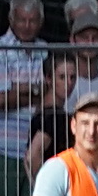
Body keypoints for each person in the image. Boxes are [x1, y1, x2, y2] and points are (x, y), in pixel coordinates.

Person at [0, 0, 49, 196]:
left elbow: (52, 95)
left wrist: (16, 89)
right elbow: (0, 100)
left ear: (41, 22)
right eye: (21, 19)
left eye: (32, 20)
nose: (27, 26)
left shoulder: (46, 50)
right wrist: (36, 90)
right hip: (3, 148)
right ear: (11, 20)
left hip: (36, 148)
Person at [23, 54, 81, 188]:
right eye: (62, 77)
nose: (69, 83)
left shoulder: (45, 111)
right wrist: (47, 188)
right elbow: (32, 156)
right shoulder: (53, 116)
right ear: (49, 79)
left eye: (73, 77)